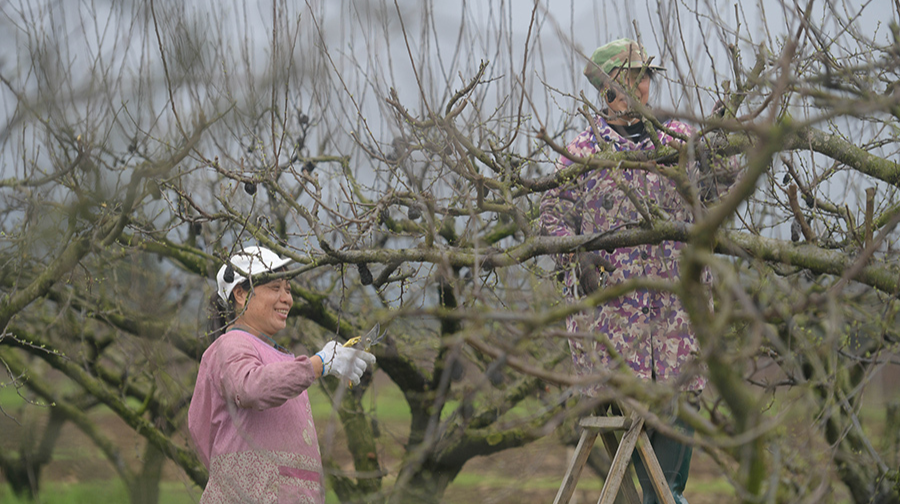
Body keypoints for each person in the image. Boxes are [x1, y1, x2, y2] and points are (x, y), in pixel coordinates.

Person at [540, 39, 734, 504]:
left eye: (645, 76)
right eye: (630, 77)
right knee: (652, 489)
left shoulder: (679, 142)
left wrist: (720, 159)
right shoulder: (582, 152)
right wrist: (576, 254)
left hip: (679, 340)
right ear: (607, 89)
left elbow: (718, 200)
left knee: (667, 488)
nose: (641, 86)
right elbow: (550, 218)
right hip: (611, 343)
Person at [188, 245, 376, 504]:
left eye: (288, 289)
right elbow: (250, 387)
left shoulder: (279, 357)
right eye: (275, 288)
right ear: (241, 294)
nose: (287, 298)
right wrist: (318, 364)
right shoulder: (231, 344)